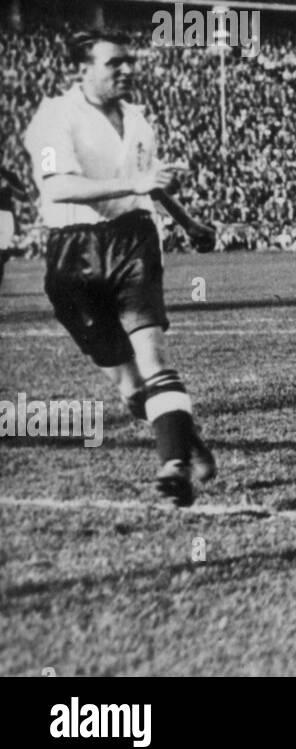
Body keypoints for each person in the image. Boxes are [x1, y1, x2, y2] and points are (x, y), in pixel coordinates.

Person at [22, 30, 217, 506]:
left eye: (130, 61)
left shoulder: (138, 119)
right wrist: (135, 179)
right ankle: (185, 441)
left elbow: (147, 183)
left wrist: (188, 222)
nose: (128, 69)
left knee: (153, 357)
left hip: (132, 241)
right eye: (115, 63)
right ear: (81, 70)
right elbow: (57, 186)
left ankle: (172, 467)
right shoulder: (53, 118)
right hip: (72, 253)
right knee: (131, 389)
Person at [0, 158, 30, 289]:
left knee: (1, 256)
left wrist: (10, 186)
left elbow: (23, 196)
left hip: (5, 217)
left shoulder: (8, 175)